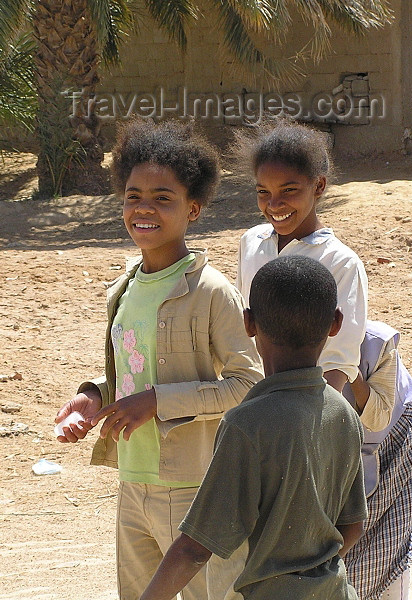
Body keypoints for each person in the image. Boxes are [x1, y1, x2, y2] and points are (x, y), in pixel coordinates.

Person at [54, 118, 263, 600]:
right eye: (133, 196)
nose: (144, 209)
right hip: (132, 482)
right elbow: (130, 371)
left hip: (195, 490)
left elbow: (247, 383)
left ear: (192, 209)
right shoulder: (124, 287)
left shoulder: (211, 292)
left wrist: (158, 402)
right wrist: (92, 396)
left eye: (162, 198)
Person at [139, 255, 368, 600]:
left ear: (248, 323)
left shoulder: (246, 424)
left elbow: (195, 548)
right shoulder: (344, 413)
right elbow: (352, 527)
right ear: (335, 323)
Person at [234, 120, 368, 392]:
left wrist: (307, 421)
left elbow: (338, 362)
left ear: (318, 186)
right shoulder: (251, 243)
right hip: (252, 398)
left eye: (289, 190)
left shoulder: (341, 262)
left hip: (309, 403)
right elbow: (242, 332)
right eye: (263, 192)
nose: (274, 204)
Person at [342, 320, 412, 600]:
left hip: (396, 438)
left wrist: (349, 369)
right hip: (344, 456)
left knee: (388, 544)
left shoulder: (374, 346)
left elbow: (377, 414)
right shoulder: (275, 346)